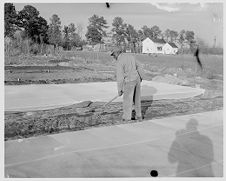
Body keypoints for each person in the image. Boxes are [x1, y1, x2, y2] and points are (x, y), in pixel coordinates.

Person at [110, 47, 144, 121]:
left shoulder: (119, 61)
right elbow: (140, 65)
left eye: (113, 55)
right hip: (137, 79)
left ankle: (126, 118)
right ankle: (139, 116)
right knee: (137, 99)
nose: (113, 57)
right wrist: (141, 77)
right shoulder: (130, 56)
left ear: (116, 53)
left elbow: (120, 78)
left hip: (129, 81)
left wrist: (119, 90)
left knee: (127, 100)